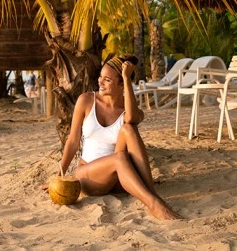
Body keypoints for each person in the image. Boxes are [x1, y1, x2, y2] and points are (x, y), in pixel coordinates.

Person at [59, 54, 181, 220]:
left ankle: (152, 194)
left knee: (128, 129)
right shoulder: (86, 100)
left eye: (107, 80)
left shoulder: (129, 110)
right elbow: (73, 141)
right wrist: (60, 176)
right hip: (89, 177)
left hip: (117, 180)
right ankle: (154, 204)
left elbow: (131, 119)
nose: (100, 82)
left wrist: (127, 79)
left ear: (122, 84)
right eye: (101, 77)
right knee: (119, 158)